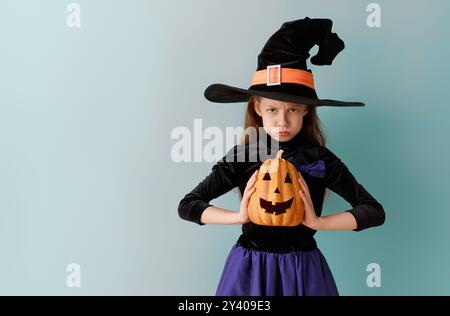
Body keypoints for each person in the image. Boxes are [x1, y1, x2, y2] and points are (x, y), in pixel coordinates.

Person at [178, 17, 385, 296]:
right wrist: (240, 216)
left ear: (306, 111)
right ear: (258, 109)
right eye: (273, 109)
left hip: (303, 270)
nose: (282, 121)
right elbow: (188, 205)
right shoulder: (245, 155)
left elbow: (373, 211)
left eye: (293, 110)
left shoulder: (320, 158)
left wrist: (319, 223)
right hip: (249, 270)